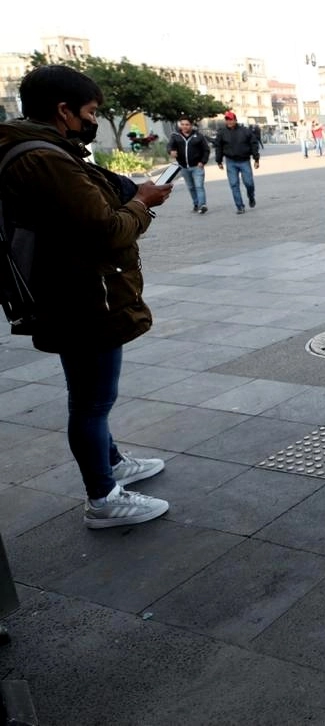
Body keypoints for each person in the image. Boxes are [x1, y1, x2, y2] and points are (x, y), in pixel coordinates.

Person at [0, 64, 176, 528]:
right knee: (92, 401)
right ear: (64, 111)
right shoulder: (45, 159)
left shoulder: (41, 150)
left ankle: (111, 463)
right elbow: (106, 229)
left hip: (70, 289)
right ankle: (102, 497)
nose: (93, 120)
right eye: (91, 111)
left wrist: (131, 194)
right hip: (79, 297)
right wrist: (142, 204)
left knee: (89, 395)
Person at [214, 111, 259, 214]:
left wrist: (256, 159)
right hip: (231, 162)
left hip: (244, 161)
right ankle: (240, 206)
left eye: (231, 119)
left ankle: (251, 196)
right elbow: (218, 147)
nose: (229, 122)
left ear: (235, 120)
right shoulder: (222, 133)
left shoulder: (245, 131)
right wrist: (219, 160)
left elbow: (254, 144)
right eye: (227, 120)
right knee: (234, 184)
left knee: (249, 183)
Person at [167, 116, 210, 213]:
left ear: (191, 125)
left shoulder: (198, 136)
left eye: (187, 124)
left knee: (199, 186)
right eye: (182, 124)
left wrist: (203, 161)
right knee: (191, 187)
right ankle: (196, 204)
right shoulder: (176, 136)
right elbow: (170, 146)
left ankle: (202, 205)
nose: (184, 126)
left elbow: (206, 150)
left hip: (197, 166)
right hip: (183, 167)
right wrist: (171, 151)